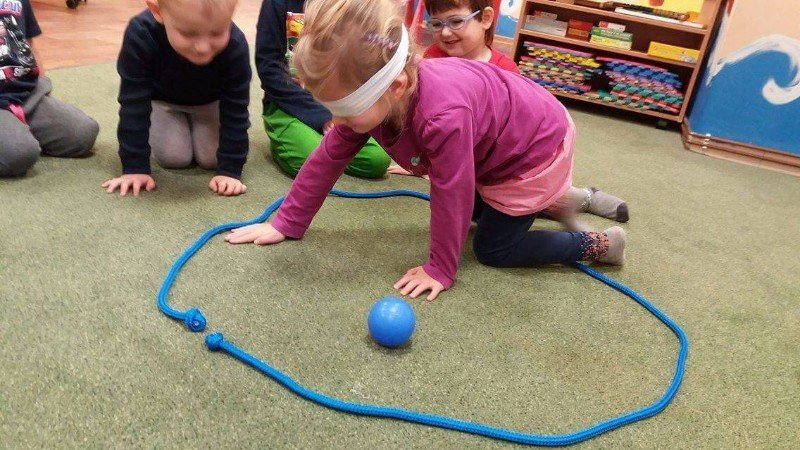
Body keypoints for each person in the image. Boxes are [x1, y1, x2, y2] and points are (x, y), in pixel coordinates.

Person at [225, 0, 626, 301]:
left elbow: (452, 189)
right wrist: (287, 222)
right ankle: (554, 201)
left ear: (396, 87)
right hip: (499, 143)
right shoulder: (378, 94)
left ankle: (597, 243)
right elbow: (328, 158)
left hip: (533, 150)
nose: (336, 121)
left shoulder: (441, 117)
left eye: (344, 109)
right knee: (476, 213)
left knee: (493, 247)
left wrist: (440, 268)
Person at [388, 0, 629, 223]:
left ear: (486, 18)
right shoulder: (432, 59)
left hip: (508, 168)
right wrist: (419, 161)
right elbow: (422, 115)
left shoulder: (504, 72)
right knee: (477, 213)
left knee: (520, 202)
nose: (445, 33)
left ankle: (580, 197)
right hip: (474, 167)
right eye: (436, 24)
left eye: (456, 21)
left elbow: (518, 139)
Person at [103, 0, 251, 197]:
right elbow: (133, 103)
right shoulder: (141, 33)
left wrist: (230, 170)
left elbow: (236, 108)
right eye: (188, 34)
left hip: (210, 103)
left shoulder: (235, 44)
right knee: (175, 158)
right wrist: (134, 167)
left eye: (217, 33)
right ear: (157, 12)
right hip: (164, 102)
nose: (202, 47)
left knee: (211, 159)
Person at [255, 0, 391, 179]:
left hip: (340, 106)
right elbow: (269, 70)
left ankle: (323, 150)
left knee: (376, 159)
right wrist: (323, 117)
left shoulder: (348, 5)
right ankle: (301, 142)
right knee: (308, 159)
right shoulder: (277, 4)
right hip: (288, 105)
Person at [0, 0, 99, 177]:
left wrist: (42, 88)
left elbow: (29, 45)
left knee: (83, 134)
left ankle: (15, 133)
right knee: (20, 154)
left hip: (25, 95)